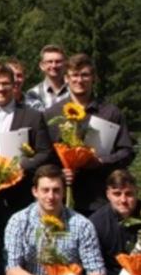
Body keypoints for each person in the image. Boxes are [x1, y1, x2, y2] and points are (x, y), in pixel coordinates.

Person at [45, 53, 135, 216]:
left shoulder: (110, 113)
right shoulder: (52, 114)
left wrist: (101, 161)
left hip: (99, 199)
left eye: (85, 75)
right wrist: (59, 171)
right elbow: (45, 154)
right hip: (60, 198)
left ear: (93, 78)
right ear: (66, 78)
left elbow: (127, 151)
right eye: (75, 75)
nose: (79, 80)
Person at [0, 62, 52, 233]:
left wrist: (21, 166)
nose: (0, 88)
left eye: (5, 83)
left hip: (21, 195)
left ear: (13, 85)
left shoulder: (33, 116)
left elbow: (45, 152)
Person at [24, 44, 70, 111]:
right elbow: (39, 118)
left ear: (65, 64)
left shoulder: (74, 91)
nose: (54, 66)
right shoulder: (34, 94)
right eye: (50, 62)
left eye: (58, 62)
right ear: (42, 65)